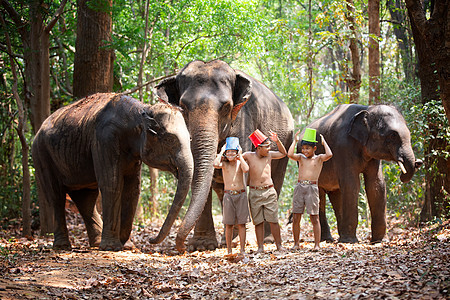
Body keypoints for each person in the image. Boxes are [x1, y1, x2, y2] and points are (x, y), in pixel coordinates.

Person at [287, 128, 333, 250]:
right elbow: (290, 154)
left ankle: (317, 244)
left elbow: (329, 154)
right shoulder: (301, 157)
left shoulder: (318, 158)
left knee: (314, 216)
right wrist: (295, 141)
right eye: (303, 148)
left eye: (308, 148)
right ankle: (296, 244)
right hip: (300, 187)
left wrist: (324, 143)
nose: (305, 150)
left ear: (314, 149)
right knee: (296, 216)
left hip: (312, 187)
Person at [243, 129, 287, 253]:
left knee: (273, 220)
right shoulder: (248, 156)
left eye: (269, 146)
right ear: (258, 147)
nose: (268, 149)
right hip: (254, 192)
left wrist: (277, 141)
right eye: (266, 147)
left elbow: (283, 153)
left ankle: (279, 245)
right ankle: (260, 247)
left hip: (269, 191)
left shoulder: (270, 155)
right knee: (258, 221)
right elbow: (236, 160)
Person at [214, 137, 250, 256]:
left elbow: (246, 169)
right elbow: (215, 164)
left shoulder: (240, 163)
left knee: (241, 223)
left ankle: (242, 250)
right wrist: (221, 152)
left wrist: (240, 155)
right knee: (228, 224)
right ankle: (229, 250)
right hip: (228, 195)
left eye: (232, 152)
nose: (230, 154)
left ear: (236, 152)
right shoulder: (224, 163)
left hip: (241, 194)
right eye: (228, 152)